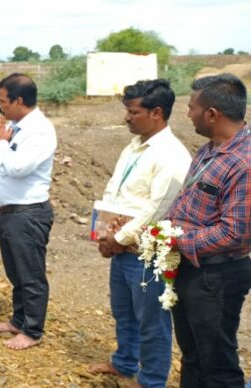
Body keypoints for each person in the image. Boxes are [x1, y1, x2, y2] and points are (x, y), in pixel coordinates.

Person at [89, 79, 190, 387]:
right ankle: (124, 362)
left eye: (133, 112)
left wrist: (117, 239)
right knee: (124, 312)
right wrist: (104, 234)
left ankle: (151, 380)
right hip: (121, 247)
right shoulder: (134, 147)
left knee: (152, 322)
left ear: (156, 112)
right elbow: (115, 191)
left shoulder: (171, 155)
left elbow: (157, 208)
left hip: (148, 252)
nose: (126, 118)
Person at [166, 73, 251, 387]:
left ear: (212, 114)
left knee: (217, 364)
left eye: (191, 108)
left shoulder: (243, 162)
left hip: (217, 276)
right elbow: (186, 202)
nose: (188, 114)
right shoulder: (208, 151)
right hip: (192, 268)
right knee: (193, 356)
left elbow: (236, 233)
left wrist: (177, 240)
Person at [0, 73, 55, 350]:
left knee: (30, 274)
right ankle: (19, 319)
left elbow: (17, 167)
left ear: (18, 100)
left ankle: (32, 330)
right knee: (16, 271)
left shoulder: (40, 130)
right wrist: (1, 142)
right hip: (11, 211)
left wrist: (0, 142)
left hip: (28, 212)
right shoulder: (17, 126)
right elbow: (1, 162)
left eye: (3, 101)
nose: (0, 106)